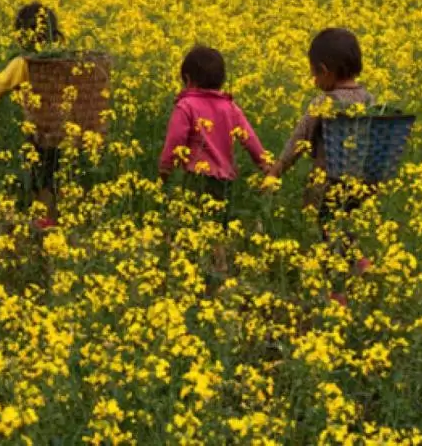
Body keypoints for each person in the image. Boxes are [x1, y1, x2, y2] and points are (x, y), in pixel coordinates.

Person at [267, 28, 375, 304]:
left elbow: (298, 140)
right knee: (344, 222)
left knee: (327, 230)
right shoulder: (369, 99)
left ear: (325, 71)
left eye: (315, 73)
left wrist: (276, 171)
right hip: (361, 183)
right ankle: (359, 262)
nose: (314, 80)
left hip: (329, 182)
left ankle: (336, 291)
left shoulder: (324, 102)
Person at [159, 45, 271, 281]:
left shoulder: (186, 106)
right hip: (225, 180)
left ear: (187, 79)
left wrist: (165, 168)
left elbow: (175, 140)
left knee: (189, 223)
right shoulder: (230, 107)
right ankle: (220, 269)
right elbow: (249, 137)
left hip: (196, 178)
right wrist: (264, 164)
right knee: (216, 226)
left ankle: (187, 272)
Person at [0, 2, 63, 230]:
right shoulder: (65, 60)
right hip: (66, 130)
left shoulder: (24, 63)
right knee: (55, 174)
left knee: (40, 176)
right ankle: (55, 218)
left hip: (39, 130)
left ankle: (44, 222)